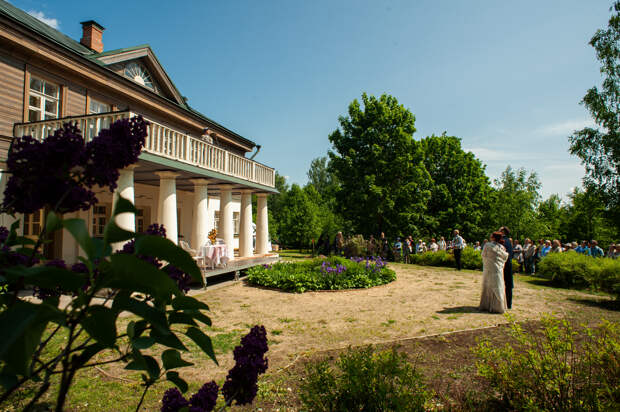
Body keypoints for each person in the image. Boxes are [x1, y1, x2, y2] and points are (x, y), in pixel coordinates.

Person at [479, 231, 509, 314]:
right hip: (497, 269)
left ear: (493, 237)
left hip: (489, 268)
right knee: (498, 285)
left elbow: (483, 255)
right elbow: (505, 257)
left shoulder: (487, 245)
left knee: (488, 285)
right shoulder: (501, 247)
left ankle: (488, 305)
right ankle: (498, 306)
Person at [499, 226, 514, 309]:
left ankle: (505, 303)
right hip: (508, 264)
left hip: (504, 264)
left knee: (504, 284)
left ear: (503, 232)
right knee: (508, 285)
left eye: (499, 230)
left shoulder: (502, 241)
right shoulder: (508, 240)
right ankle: (509, 303)